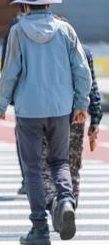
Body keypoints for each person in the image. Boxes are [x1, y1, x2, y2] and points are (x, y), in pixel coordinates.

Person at [0, 0, 92, 244]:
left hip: (29, 110)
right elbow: (82, 71)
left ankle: (40, 229)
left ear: (25, 5)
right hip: (60, 109)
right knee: (59, 162)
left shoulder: (18, 31)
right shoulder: (66, 30)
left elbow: (10, 72)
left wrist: (1, 104)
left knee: (34, 169)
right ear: (48, 3)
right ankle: (66, 200)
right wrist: (81, 104)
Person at [43, 43, 103, 217]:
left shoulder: (47, 50)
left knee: (46, 163)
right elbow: (91, 85)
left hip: (49, 113)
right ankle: (70, 206)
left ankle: (54, 202)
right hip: (77, 114)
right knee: (72, 165)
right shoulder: (84, 51)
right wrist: (95, 118)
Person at [0, 6, 27, 195]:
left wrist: (3, 99)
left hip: (24, 96)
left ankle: (28, 179)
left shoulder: (16, 26)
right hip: (56, 100)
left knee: (25, 141)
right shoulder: (61, 27)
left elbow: (7, 63)